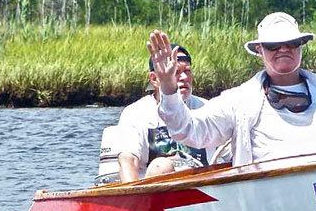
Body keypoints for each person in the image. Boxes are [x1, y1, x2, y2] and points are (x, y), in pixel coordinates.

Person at [146, 12, 316, 167]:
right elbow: (189, 131)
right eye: (274, 46)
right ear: (260, 51)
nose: (283, 50)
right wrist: (169, 89)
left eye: (291, 43)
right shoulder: (239, 100)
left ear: (301, 46)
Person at [94, 44, 221, 185]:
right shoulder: (135, 113)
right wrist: (133, 197)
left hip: (204, 188)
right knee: (161, 166)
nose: (184, 77)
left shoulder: (208, 108)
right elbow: (128, 160)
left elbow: (232, 151)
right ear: (154, 79)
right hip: (154, 195)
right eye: (176, 72)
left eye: (188, 71)